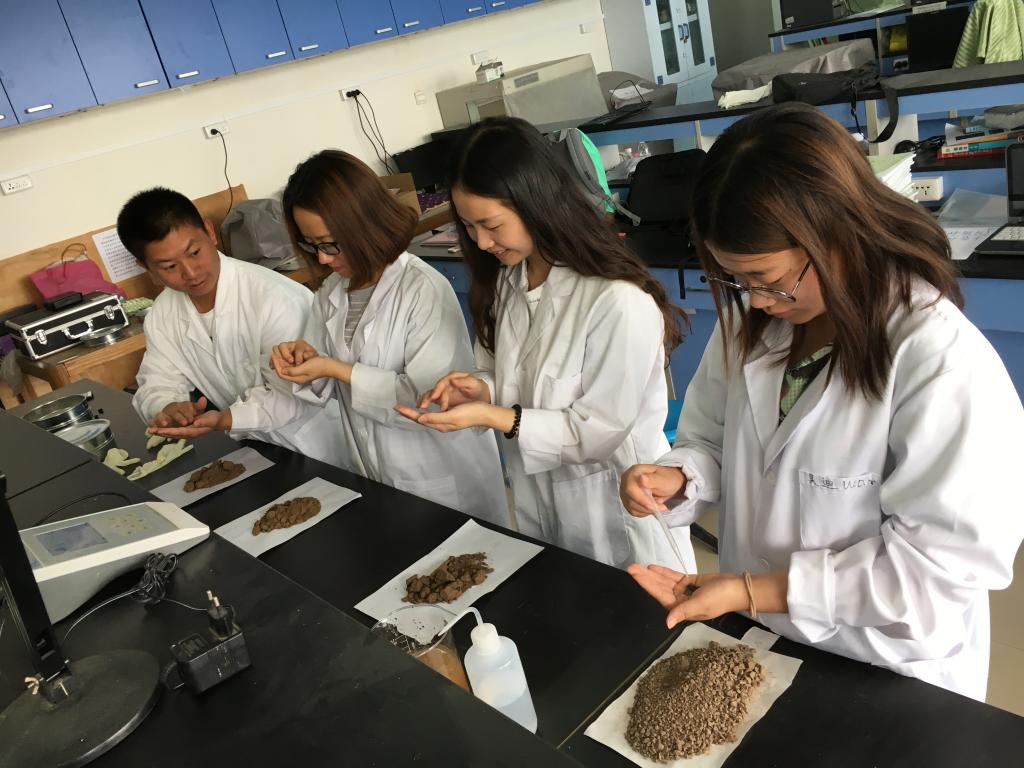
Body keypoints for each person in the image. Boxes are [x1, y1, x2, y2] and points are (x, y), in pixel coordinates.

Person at [619, 103, 1024, 700]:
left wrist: (753, 590)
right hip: (764, 639)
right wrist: (680, 477)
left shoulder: (939, 359)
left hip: (883, 665)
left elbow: (938, 572)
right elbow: (711, 439)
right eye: (738, 281)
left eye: (767, 279)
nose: (756, 301)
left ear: (837, 235)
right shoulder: (754, 324)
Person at [396, 117, 693, 570]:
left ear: (535, 202)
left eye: (490, 224)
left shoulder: (616, 301)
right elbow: (510, 375)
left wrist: (491, 415)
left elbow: (598, 431)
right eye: (469, 226)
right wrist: (481, 388)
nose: (481, 242)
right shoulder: (509, 282)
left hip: (618, 509)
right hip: (542, 503)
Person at [268, 150, 507, 524]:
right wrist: (304, 362)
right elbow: (324, 389)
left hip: (443, 476)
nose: (323, 258)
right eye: (312, 245)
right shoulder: (331, 294)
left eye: (330, 243)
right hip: (377, 474)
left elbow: (431, 402)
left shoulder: (422, 288)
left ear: (363, 225)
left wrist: (335, 368)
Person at [119, 188, 344, 463]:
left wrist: (226, 419)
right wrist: (167, 406)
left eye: (194, 252)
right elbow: (157, 379)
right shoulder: (163, 313)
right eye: (169, 267)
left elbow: (293, 396)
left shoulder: (274, 297)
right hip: (258, 450)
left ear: (209, 232)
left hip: (324, 445)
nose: (191, 272)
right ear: (145, 266)